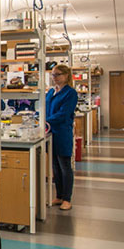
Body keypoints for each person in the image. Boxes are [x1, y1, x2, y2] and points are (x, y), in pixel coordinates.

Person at [45, 64, 77, 211]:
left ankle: (67, 199)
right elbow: (44, 107)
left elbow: (64, 113)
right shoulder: (51, 92)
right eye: (53, 75)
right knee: (55, 167)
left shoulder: (70, 93)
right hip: (49, 133)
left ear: (66, 76)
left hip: (62, 132)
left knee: (65, 166)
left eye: (57, 74)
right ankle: (59, 195)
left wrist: (47, 120)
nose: (54, 78)